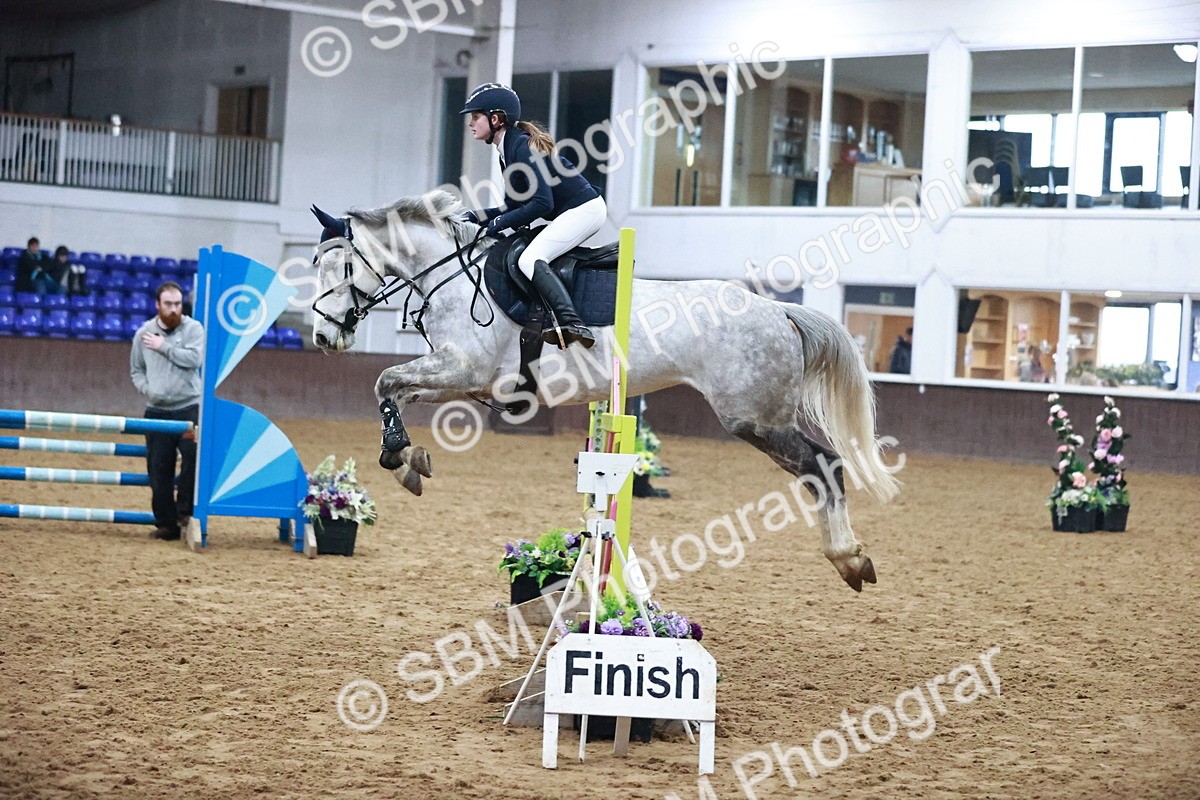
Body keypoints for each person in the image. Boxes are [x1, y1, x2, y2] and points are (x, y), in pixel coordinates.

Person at [459, 82, 607, 349]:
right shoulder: (508, 150)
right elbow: (513, 208)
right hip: (572, 211)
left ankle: (571, 322)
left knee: (530, 259)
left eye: (476, 116)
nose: (471, 123)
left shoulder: (522, 148)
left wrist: (498, 223)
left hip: (585, 210)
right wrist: (475, 217)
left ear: (496, 119)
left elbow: (541, 203)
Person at [130, 281, 204, 541]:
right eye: (168, 304)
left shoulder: (194, 329)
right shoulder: (143, 333)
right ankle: (166, 524)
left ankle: (186, 513)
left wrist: (164, 346)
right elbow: (136, 370)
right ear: (157, 305)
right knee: (158, 469)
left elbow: (194, 360)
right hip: (157, 411)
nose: (174, 309)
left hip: (188, 408)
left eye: (178, 304)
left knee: (193, 459)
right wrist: (148, 389)